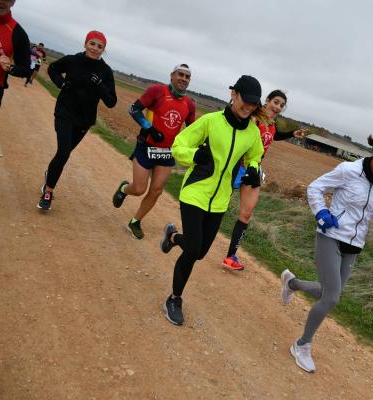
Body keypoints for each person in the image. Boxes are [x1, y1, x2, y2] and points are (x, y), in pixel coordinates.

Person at [280, 133, 373, 373]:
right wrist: (321, 212)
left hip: (355, 244)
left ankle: (292, 283)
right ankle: (302, 344)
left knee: (327, 290)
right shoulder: (348, 170)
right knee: (332, 297)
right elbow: (316, 188)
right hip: (330, 235)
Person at [159, 75, 265, 326]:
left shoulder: (252, 132)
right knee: (193, 248)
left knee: (200, 252)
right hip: (195, 192)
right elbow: (179, 146)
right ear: (233, 94)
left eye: (253, 104)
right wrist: (196, 154)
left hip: (219, 200)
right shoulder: (210, 121)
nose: (248, 107)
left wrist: (252, 168)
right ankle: (174, 299)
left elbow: (255, 156)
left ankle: (173, 237)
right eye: (245, 101)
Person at [221, 89, 308, 270]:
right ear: (267, 101)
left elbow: (274, 135)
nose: (278, 107)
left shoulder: (272, 124)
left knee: (246, 213)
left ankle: (231, 256)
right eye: (276, 102)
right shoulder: (253, 117)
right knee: (218, 204)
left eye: (282, 105)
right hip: (236, 165)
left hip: (254, 170)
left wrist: (292, 133)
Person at [112, 64, 196, 239]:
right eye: (180, 74)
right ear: (172, 75)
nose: (183, 79)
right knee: (139, 188)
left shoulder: (189, 104)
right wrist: (149, 129)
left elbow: (192, 131)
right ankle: (124, 189)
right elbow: (134, 109)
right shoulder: (157, 91)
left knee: (156, 190)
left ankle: (135, 221)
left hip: (166, 153)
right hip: (146, 146)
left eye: (187, 77)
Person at [37, 30, 117, 211]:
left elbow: (111, 102)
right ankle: (48, 192)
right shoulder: (73, 60)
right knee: (64, 152)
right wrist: (61, 83)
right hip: (64, 112)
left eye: (100, 46)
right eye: (92, 44)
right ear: (85, 44)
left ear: (104, 49)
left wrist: (100, 85)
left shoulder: (105, 71)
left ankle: (50, 175)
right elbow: (52, 68)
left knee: (62, 155)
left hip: (84, 120)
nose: (95, 49)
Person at [0, 0, 30, 125]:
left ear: (13, 2)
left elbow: (25, 69)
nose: (1, 1)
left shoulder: (18, 33)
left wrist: (10, 67)